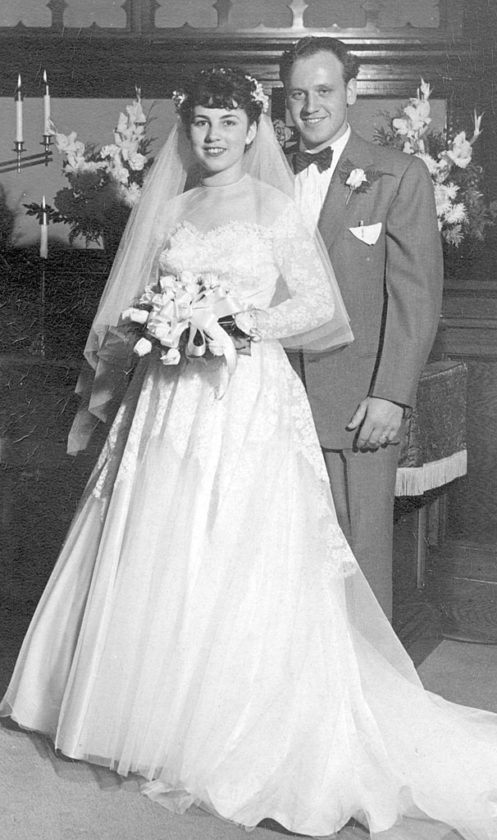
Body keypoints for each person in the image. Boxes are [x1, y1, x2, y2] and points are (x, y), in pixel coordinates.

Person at [2, 66, 497, 840]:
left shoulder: (274, 207)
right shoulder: (171, 209)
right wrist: (160, 319)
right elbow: (136, 303)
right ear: (187, 127)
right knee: (161, 540)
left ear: (251, 128)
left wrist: (234, 325)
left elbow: (318, 308)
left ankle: (232, 719)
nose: (213, 136)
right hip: (168, 400)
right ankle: (149, 711)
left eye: (228, 123)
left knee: (236, 541)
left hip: (245, 399)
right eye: (201, 122)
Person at [281, 37, 444, 618]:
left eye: (324, 90)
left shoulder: (399, 175)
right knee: (278, 551)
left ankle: (365, 673)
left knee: (359, 556)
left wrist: (390, 396)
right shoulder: (264, 176)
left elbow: (416, 297)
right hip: (272, 397)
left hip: (356, 403)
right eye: (297, 94)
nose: (310, 107)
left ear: (351, 91)